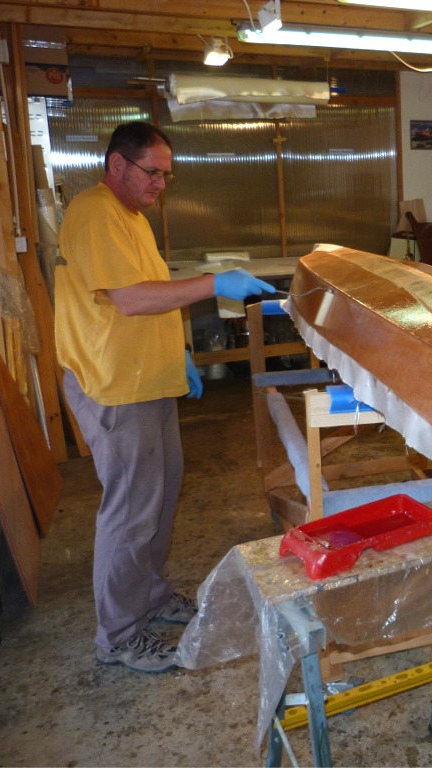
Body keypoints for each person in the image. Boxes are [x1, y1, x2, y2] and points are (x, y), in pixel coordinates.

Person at [55, 121, 276, 673]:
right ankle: (120, 636)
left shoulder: (131, 220)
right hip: (114, 385)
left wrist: (176, 350)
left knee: (159, 497)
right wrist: (214, 283)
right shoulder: (94, 213)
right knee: (130, 511)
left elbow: (148, 293)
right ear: (117, 166)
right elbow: (129, 299)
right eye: (153, 172)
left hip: (148, 380)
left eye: (166, 175)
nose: (160, 184)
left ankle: (149, 597)